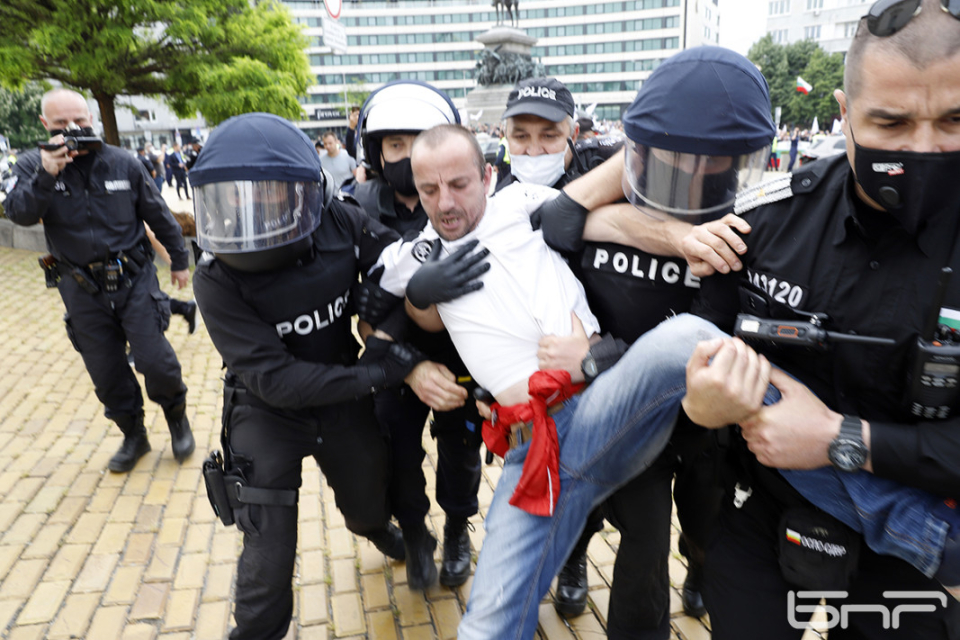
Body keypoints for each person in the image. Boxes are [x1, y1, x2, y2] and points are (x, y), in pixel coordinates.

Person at [529, 45, 775, 632]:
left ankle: (701, 569)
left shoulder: (752, 214)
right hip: (613, 406)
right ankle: (576, 569)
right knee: (638, 549)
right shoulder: (607, 177)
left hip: (694, 414)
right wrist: (667, 232)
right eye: (672, 154)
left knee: (704, 518)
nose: (688, 173)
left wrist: (598, 358)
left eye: (707, 159)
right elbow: (555, 223)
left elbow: (708, 331)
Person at [190, 112, 458, 639]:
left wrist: (382, 317)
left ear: (311, 192)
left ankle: (379, 530)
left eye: (271, 194)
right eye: (236, 198)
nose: (253, 213)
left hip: (343, 401)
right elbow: (278, 381)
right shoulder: (214, 277)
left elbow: (403, 272)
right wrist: (381, 371)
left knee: (365, 509)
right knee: (268, 551)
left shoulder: (342, 220)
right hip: (267, 412)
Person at [4, 88, 195, 473]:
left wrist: (178, 260)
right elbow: (20, 214)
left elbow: (158, 213)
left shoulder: (123, 162)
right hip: (79, 286)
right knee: (106, 372)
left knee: (154, 360)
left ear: (90, 116)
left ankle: (176, 416)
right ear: (45, 125)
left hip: (134, 279)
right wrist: (46, 173)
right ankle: (134, 436)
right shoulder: (31, 165)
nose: (73, 128)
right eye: (61, 123)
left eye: (80, 120)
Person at [352, 80, 483, 590]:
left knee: (462, 447)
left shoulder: (471, 200)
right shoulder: (356, 210)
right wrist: (408, 366)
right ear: (376, 152)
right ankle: (413, 529)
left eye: (418, 139)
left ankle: (455, 528)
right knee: (396, 447)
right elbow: (359, 310)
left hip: (465, 352)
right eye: (394, 145)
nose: (406, 156)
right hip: (395, 357)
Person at [495, 77, 621, 194]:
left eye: (549, 136)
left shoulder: (601, 162)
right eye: (521, 137)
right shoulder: (497, 202)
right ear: (506, 136)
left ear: (573, 135)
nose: (534, 152)